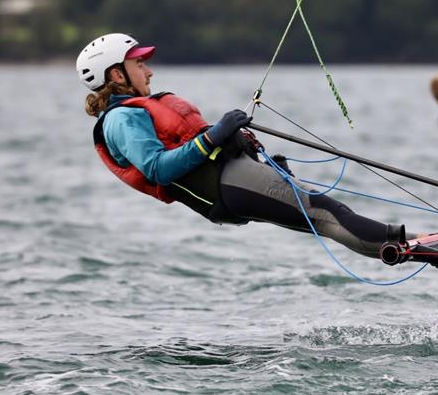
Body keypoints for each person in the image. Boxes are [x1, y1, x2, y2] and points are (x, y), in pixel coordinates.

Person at [77, 33, 413, 258]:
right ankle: (414, 245)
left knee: (324, 216)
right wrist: (215, 134)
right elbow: (158, 170)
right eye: (139, 64)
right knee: (326, 213)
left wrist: (261, 164)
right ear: (117, 75)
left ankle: (427, 248)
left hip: (234, 178)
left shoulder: (134, 111)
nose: (149, 72)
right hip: (225, 186)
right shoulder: (121, 120)